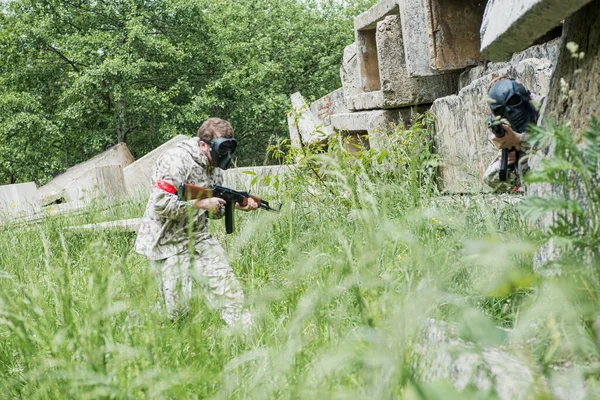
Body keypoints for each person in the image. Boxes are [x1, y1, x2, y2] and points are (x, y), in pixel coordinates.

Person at [134, 117, 258, 326]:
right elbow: (160, 203)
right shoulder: (176, 160)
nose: (225, 154)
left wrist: (233, 205)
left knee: (231, 294)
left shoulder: (214, 166)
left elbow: (213, 211)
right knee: (178, 313)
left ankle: (250, 341)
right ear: (203, 144)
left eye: (229, 147)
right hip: (166, 243)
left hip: (198, 238)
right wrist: (199, 204)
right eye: (221, 148)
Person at [483, 76, 540, 193]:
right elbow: (495, 182)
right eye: (501, 111)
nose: (511, 111)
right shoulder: (512, 132)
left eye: (513, 101)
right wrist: (504, 161)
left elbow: (557, 142)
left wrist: (519, 139)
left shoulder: (546, 107)